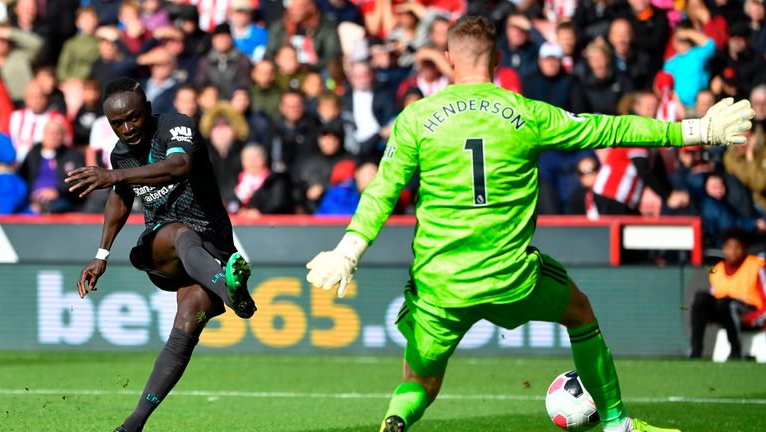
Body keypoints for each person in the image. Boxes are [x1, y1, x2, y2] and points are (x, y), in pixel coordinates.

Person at [305, 15, 754, 432]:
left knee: (420, 382)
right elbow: (609, 129)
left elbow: (382, 191)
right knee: (578, 311)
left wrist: (348, 250)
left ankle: (395, 421)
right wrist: (695, 131)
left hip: (440, 286)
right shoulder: (528, 115)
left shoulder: (417, 119)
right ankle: (616, 424)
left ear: (448, 59)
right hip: (512, 278)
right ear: (498, 60)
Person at [63, 78, 256, 432]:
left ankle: (133, 424)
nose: (127, 128)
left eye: (132, 118)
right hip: (162, 247)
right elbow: (120, 199)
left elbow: (180, 165)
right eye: (117, 124)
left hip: (212, 245)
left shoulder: (176, 126)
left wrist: (115, 175)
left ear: (147, 108)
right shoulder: (120, 155)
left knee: (186, 327)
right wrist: (101, 253)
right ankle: (232, 293)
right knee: (178, 233)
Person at [690, 228, 766, 359]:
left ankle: (736, 351)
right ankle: (695, 351)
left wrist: (751, 319)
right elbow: (714, 295)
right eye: (729, 247)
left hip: (749, 314)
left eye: (737, 247)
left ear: (744, 248)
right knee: (701, 298)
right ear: (723, 249)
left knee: (726, 304)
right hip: (724, 313)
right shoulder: (718, 269)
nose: (733, 252)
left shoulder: (756, 266)